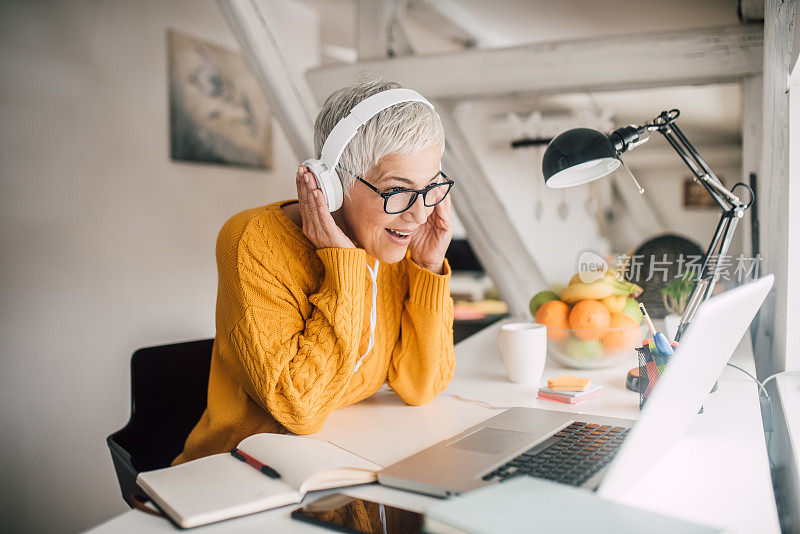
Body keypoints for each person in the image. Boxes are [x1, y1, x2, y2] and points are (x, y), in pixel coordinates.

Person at [173, 77, 456, 465]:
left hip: (340, 465)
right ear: (333, 183)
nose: (421, 213)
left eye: (431, 186)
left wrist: (427, 267)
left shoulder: (395, 242)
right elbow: (300, 410)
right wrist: (343, 268)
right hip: (238, 476)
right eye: (397, 190)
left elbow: (421, 386)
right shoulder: (251, 240)